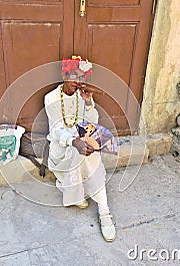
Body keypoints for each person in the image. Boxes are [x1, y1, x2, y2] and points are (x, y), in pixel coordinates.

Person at [44, 56, 116, 242]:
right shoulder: (51, 98)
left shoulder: (81, 96)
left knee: (90, 151)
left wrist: (89, 103)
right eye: (74, 76)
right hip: (62, 146)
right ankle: (87, 197)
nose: (78, 82)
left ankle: (104, 210)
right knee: (83, 152)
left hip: (80, 141)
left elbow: (92, 123)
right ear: (64, 74)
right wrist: (74, 141)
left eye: (82, 78)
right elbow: (56, 131)